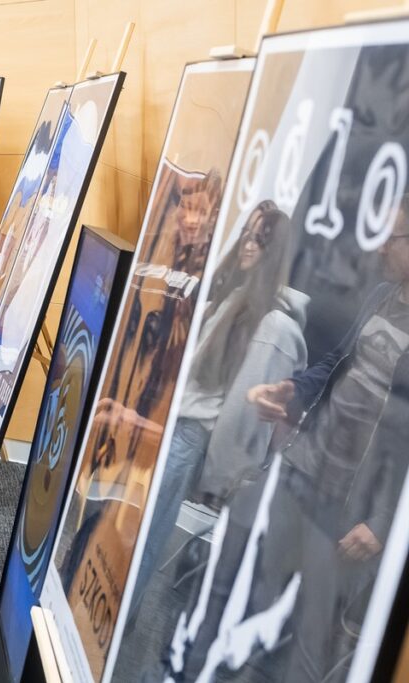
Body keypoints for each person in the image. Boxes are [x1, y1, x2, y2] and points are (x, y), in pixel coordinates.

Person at [172, 198, 409, 682]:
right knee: (247, 605)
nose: (381, 244)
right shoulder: (381, 295)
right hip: (303, 471)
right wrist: (292, 392)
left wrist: (384, 521)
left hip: (351, 510)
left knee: (306, 648)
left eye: (394, 237)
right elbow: (334, 365)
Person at [127, 201, 306, 621]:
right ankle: (115, 619)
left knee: (145, 538)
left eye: (259, 240)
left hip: (190, 436)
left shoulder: (271, 322)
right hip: (173, 425)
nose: (247, 245)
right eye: (247, 233)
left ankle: (120, 622)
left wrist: (220, 479)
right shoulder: (232, 296)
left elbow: (243, 411)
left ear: (273, 250)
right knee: (134, 529)